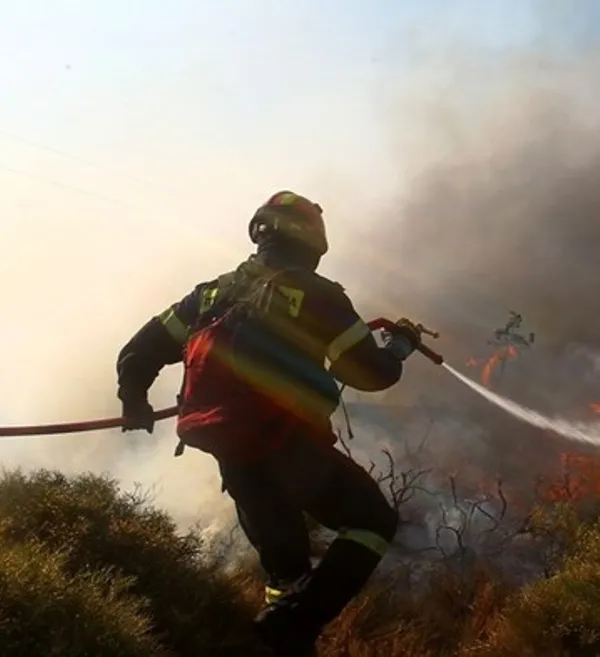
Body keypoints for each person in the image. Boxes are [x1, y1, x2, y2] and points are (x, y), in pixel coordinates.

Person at [115, 190, 423, 656]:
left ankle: (286, 630)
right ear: (313, 242)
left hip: (231, 452)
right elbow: (371, 374)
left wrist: (134, 401)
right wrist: (399, 349)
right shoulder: (319, 296)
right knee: (372, 521)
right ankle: (294, 624)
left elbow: (138, 351)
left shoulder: (212, 293)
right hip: (289, 446)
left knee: (286, 574)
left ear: (260, 233)